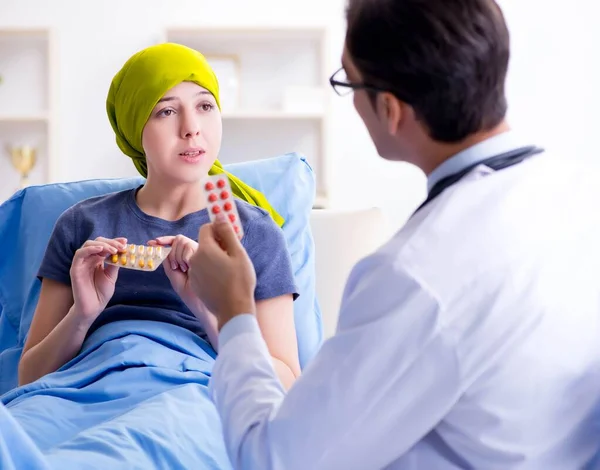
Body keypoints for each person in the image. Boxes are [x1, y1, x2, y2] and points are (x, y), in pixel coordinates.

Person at [188, 1, 600, 469]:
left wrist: (235, 311)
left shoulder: (414, 275)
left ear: (390, 109)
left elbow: (272, 458)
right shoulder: (587, 195)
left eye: (346, 81)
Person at [18, 42, 301, 391]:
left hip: (193, 398)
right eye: (166, 112)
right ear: (135, 128)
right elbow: (28, 377)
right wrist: (83, 314)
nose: (191, 128)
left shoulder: (251, 233)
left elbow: (287, 382)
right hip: (79, 395)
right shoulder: (81, 225)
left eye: (205, 105)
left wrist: (208, 309)